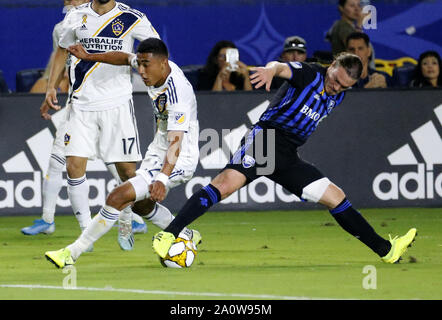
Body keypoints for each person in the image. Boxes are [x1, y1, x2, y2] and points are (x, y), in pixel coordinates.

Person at [152, 53, 417, 265]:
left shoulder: (339, 92)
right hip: (266, 141)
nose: (336, 88)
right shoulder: (310, 73)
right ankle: (169, 235)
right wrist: (270, 70)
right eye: (335, 79)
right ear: (332, 64)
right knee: (223, 185)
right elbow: (282, 68)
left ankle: (386, 250)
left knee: (336, 197)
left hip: (288, 155)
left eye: (344, 86)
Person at [45, 38, 202, 268]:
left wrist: (162, 178)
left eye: (146, 65)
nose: (141, 71)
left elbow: (176, 141)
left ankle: (71, 253)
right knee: (140, 205)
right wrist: (89, 56)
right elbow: (121, 57)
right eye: (139, 64)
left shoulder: (178, 92)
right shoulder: (153, 67)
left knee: (118, 197)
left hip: (179, 156)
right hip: (159, 150)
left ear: (163, 63)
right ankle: (186, 233)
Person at [42, 0, 159, 249]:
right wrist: (51, 86)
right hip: (81, 103)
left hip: (117, 105)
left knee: (127, 172)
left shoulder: (132, 18)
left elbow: (157, 50)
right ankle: (86, 233)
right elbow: (62, 50)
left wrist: (144, 67)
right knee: (74, 166)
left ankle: (126, 218)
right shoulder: (76, 17)